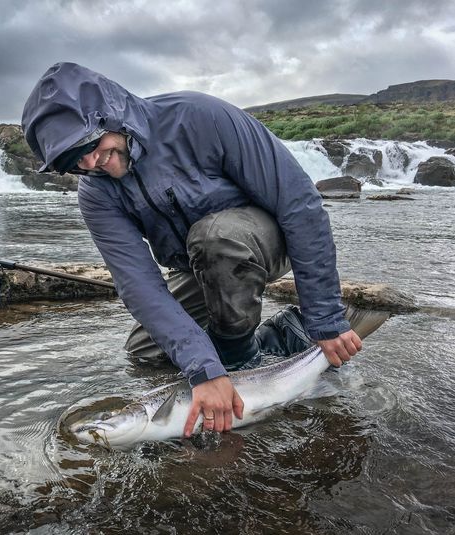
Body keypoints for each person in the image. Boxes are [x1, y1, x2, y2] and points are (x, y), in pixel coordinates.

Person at [22, 62, 362, 437]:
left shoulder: (201, 117)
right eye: (72, 162)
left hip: (262, 242)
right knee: (148, 351)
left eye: (89, 146)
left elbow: (299, 204)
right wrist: (201, 368)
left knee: (216, 240)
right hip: (198, 265)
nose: (90, 163)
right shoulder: (96, 192)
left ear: (113, 117)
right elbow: (139, 284)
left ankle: (245, 356)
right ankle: (282, 337)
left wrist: (326, 317)